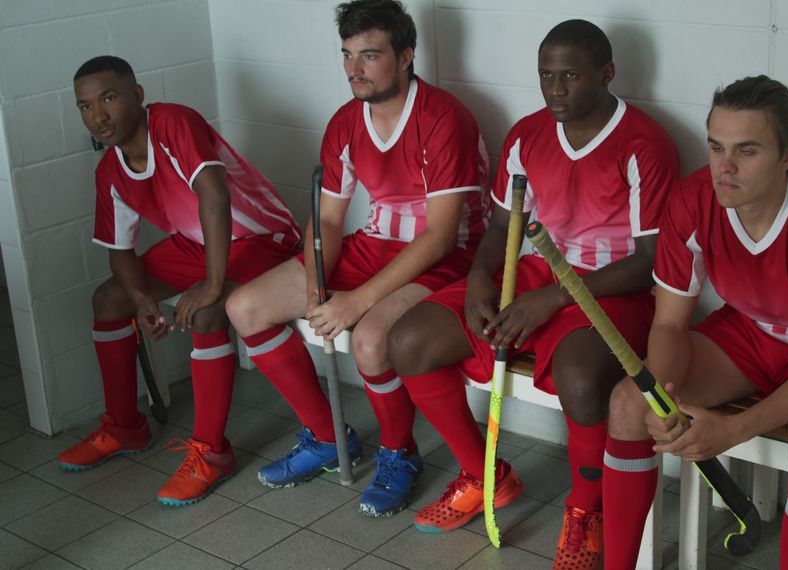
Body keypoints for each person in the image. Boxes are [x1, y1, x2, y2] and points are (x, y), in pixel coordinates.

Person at [386, 19, 679, 569]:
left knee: (583, 378)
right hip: (534, 277)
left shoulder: (644, 144)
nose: (557, 89)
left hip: (609, 289)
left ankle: (584, 511)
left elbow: (651, 262)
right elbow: (502, 227)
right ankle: (483, 474)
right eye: (547, 76)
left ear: (607, 74)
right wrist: (477, 279)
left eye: (571, 75)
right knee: (408, 339)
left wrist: (554, 300)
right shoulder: (527, 134)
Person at [601, 75, 788, 569]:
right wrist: (665, 393)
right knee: (630, 403)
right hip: (750, 329)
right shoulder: (691, 199)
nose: (725, 167)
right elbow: (670, 325)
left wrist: (732, 430)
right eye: (716, 146)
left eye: (748, 150)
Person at [224, 0, 488, 517]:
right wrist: (314, 287)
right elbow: (325, 222)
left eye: (370, 56)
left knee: (370, 339)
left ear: (407, 55)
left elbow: (439, 236)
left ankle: (399, 452)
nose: (354, 70)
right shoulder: (346, 121)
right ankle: (326, 438)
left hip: (445, 257)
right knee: (246, 307)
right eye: (347, 56)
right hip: (375, 244)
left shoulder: (443, 117)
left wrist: (356, 302)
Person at [58, 55, 302, 506]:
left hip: (261, 235)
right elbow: (120, 251)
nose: (98, 115)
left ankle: (212, 453)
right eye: (85, 107)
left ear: (136, 95)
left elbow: (214, 192)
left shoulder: (171, 122)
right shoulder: (109, 170)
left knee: (210, 310)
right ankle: (125, 426)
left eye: (108, 98)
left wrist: (212, 284)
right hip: (195, 242)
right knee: (110, 299)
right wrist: (141, 299)